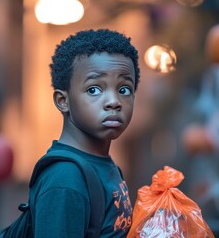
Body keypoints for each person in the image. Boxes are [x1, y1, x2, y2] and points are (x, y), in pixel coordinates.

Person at [31, 29, 140, 237]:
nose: (114, 102)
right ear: (63, 101)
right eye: (94, 90)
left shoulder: (106, 166)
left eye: (124, 89)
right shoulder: (65, 180)